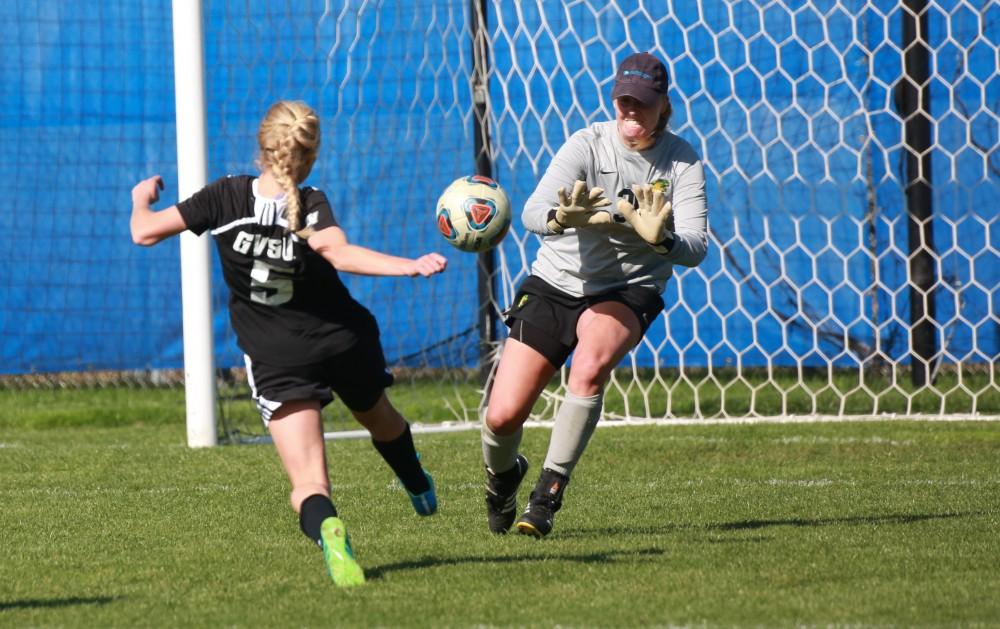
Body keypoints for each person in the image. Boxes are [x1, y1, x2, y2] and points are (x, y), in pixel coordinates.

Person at [129, 100, 447, 586]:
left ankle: (331, 531)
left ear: (263, 146)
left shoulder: (225, 196)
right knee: (379, 416)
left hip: (279, 357)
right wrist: (406, 264)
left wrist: (140, 197)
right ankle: (418, 485)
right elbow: (338, 254)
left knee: (310, 483)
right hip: (341, 339)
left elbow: (144, 232)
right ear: (310, 156)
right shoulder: (312, 202)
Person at [481, 52, 709, 537]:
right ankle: (503, 479)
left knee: (589, 367)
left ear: (663, 104)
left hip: (628, 289)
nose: (631, 111)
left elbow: (695, 248)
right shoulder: (587, 143)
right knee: (501, 418)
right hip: (556, 282)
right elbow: (532, 212)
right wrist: (562, 219)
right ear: (613, 100)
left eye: (642, 103)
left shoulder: (682, 161)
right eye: (624, 101)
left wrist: (660, 238)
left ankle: (546, 497)